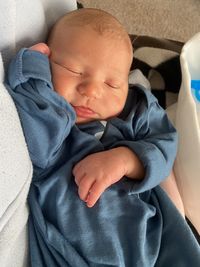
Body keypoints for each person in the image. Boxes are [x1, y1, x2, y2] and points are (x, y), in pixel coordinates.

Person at [6, 8, 199, 267]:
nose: (92, 91)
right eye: (73, 70)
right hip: (73, 254)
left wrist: (126, 160)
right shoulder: (56, 129)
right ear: (48, 60)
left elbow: (165, 143)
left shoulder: (134, 113)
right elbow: (35, 128)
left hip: (150, 239)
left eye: (111, 84)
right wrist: (32, 68)